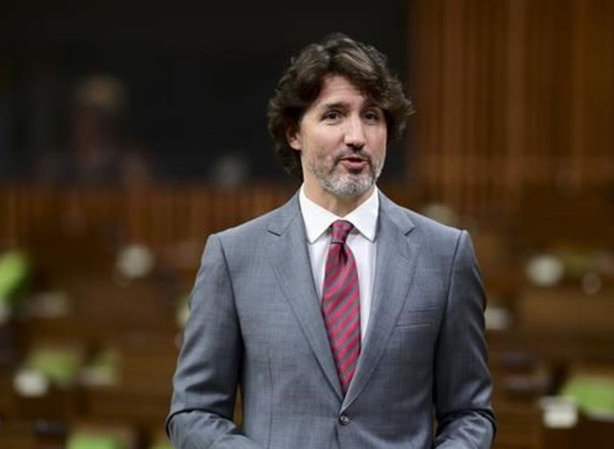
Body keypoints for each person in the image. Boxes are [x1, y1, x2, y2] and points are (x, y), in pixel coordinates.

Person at [167, 33, 495, 449]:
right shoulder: (234, 257)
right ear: (294, 133)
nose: (356, 135)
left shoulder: (445, 254)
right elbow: (193, 413)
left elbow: (470, 414)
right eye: (334, 115)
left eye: (371, 116)